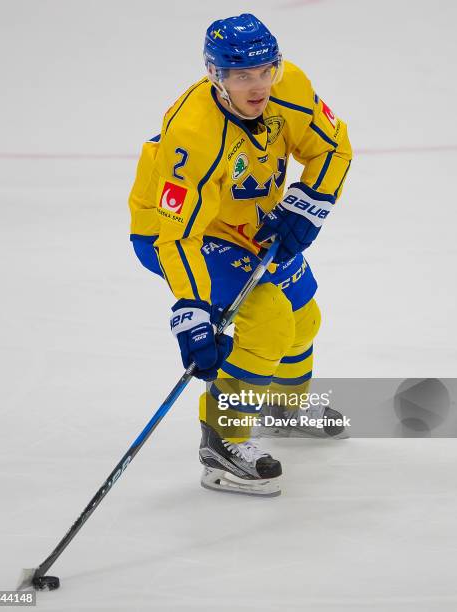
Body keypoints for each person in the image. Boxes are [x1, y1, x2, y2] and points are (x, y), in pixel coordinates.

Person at [128, 14, 352, 497]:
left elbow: (333, 148)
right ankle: (221, 442)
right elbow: (177, 236)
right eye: (242, 75)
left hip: (248, 222)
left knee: (303, 317)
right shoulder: (193, 134)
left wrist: (310, 201)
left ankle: (285, 410)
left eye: (265, 70)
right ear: (216, 75)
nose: (258, 86)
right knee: (268, 318)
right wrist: (192, 310)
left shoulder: (288, 85)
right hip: (178, 232)